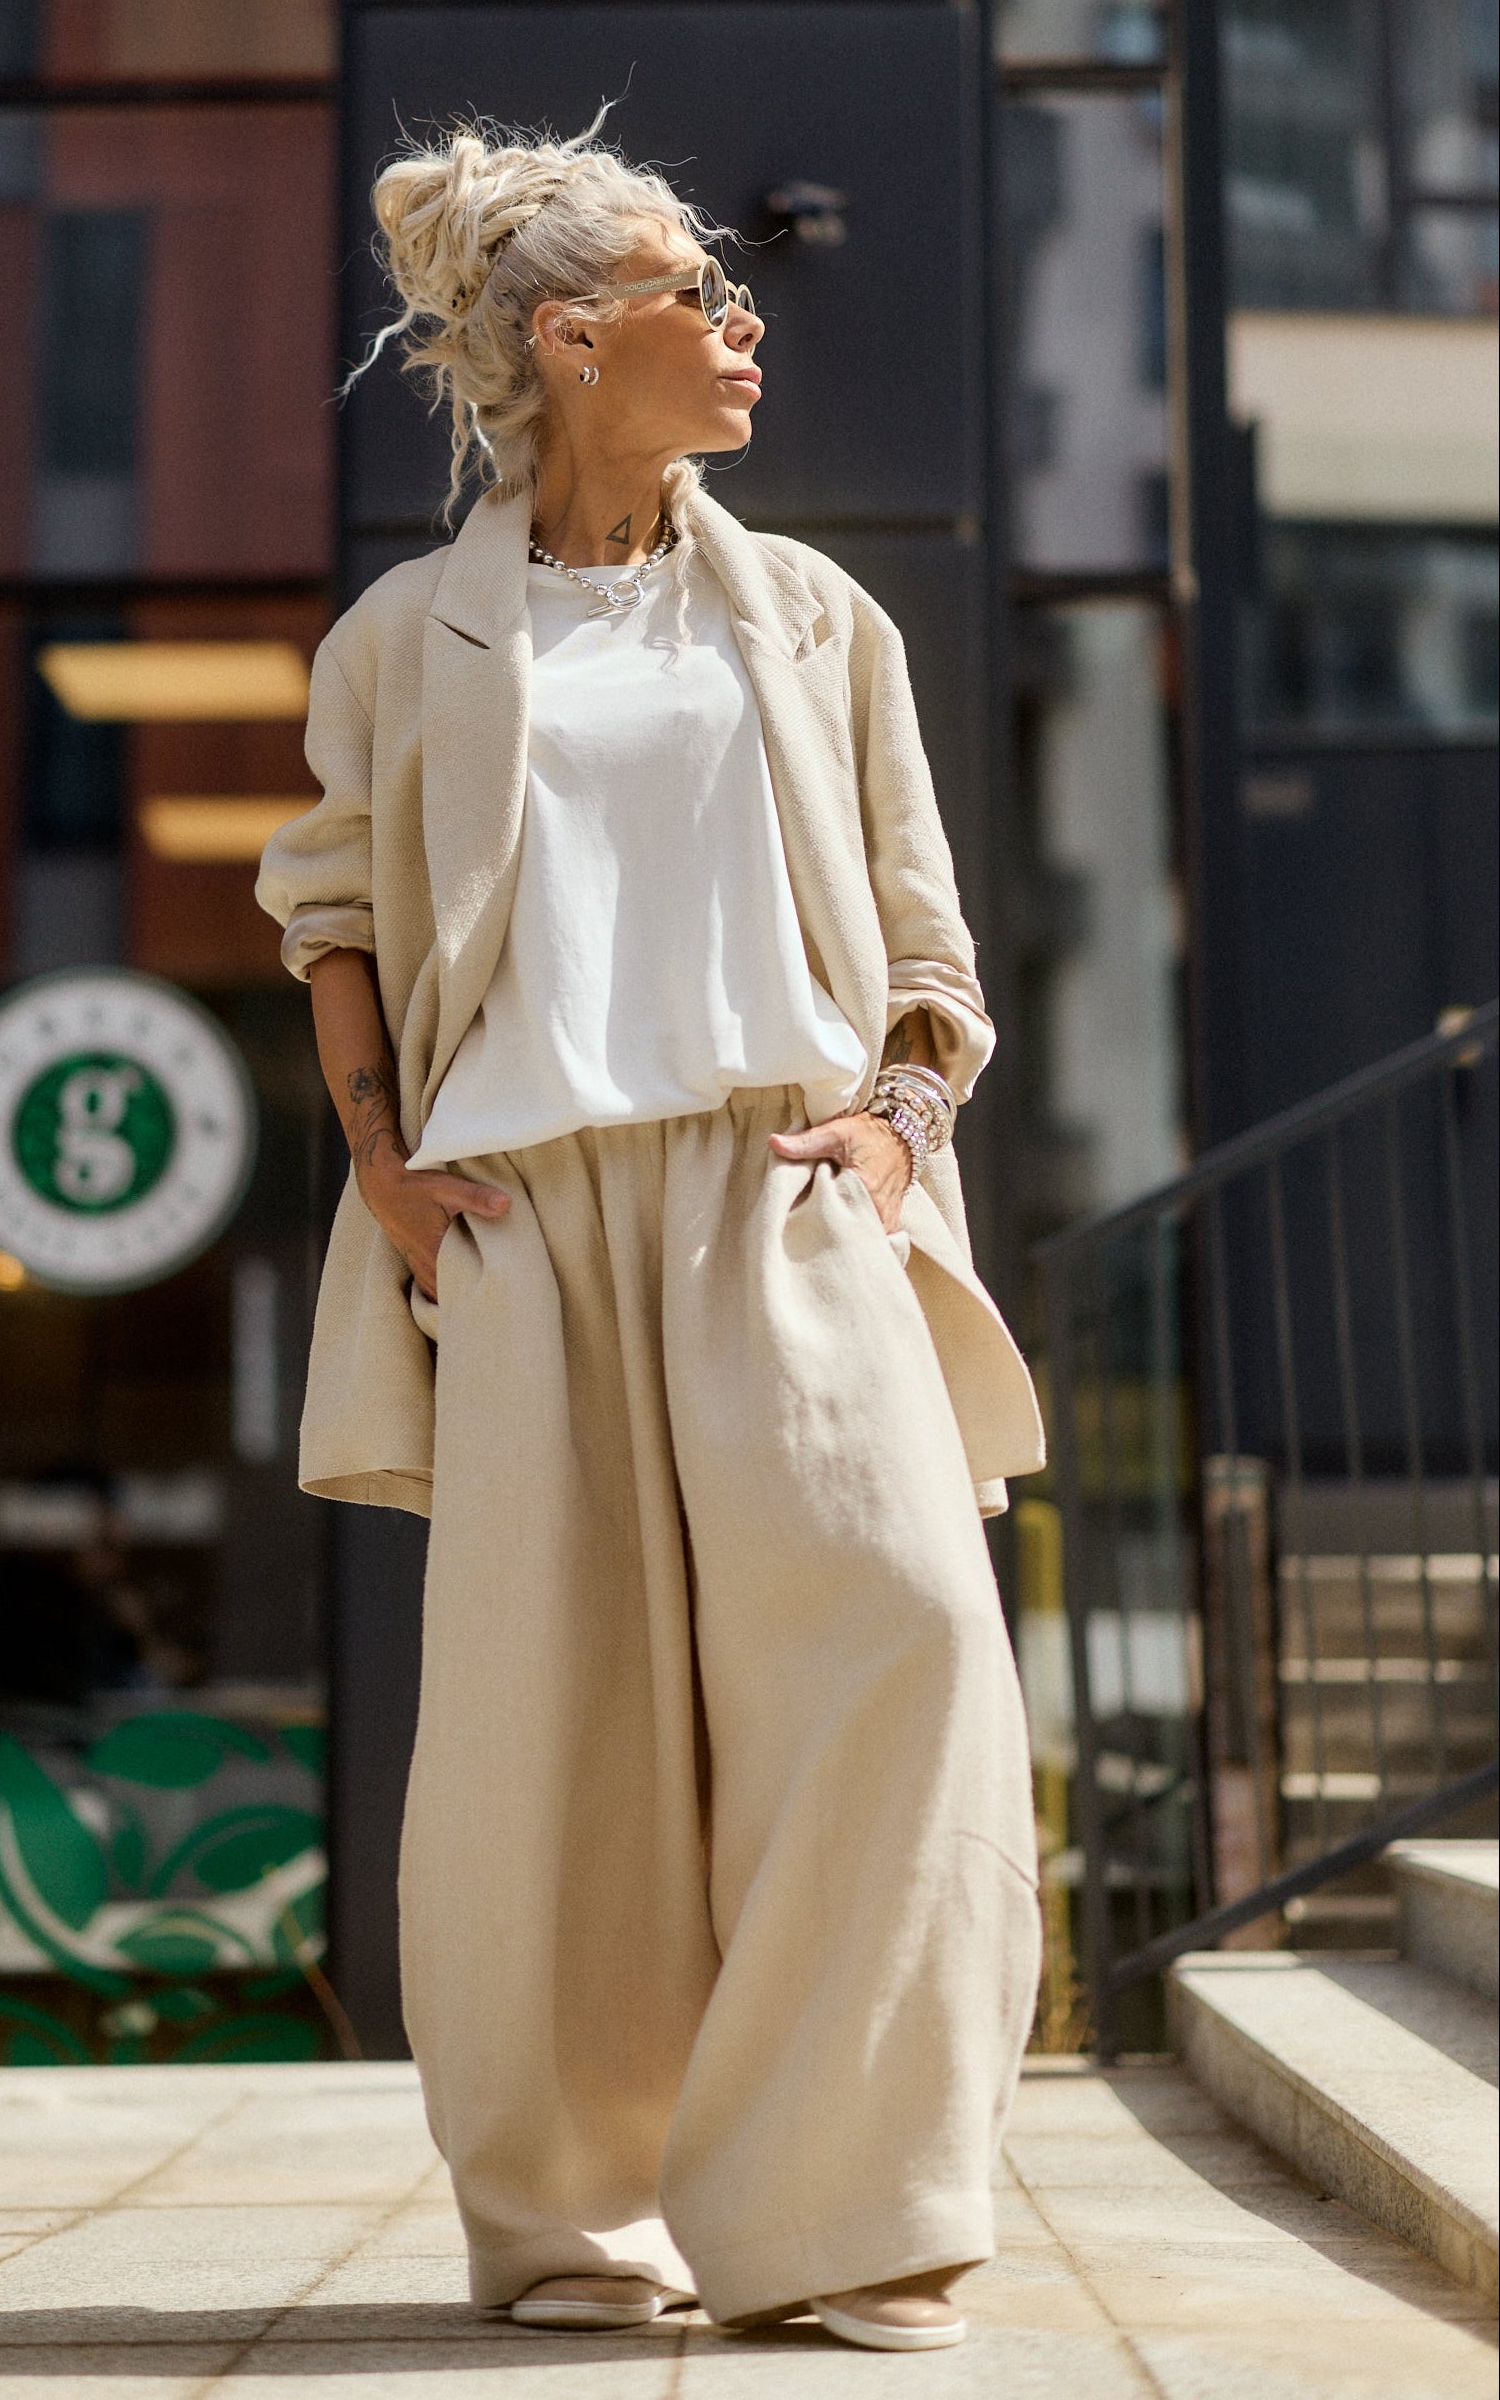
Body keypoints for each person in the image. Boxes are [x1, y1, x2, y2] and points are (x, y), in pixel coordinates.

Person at [256, 118, 1046, 2356]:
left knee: (905, 1650)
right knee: (553, 1742)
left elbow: (927, 941)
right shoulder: (408, 637)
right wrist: (383, 1162)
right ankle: (572, 2218)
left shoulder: (815, 615)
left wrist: (898, 1125)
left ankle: (852, 2209)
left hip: (787, 1195)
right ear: (573, 342)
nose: (744, 322)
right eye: (702, 292)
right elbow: (329, 911)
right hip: (526, 1215)